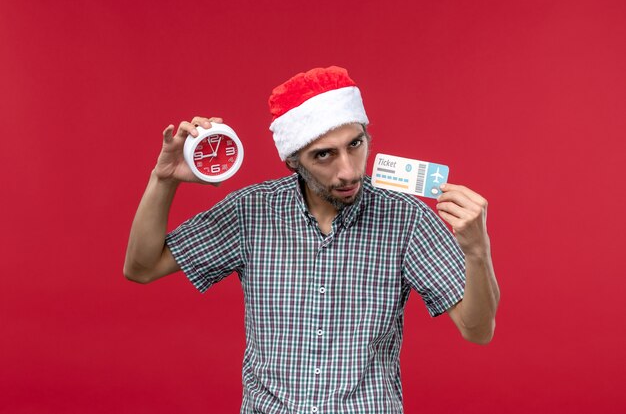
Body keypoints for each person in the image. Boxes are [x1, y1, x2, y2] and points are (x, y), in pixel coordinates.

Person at [124, 66, 500, 413]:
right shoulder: (251, 211)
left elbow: (478, 329)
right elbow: (142, 267)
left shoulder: (407, 218)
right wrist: (164, 179)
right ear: (293, 160)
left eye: (356, 144)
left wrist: (477, 252)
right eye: (324, 155)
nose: (348, 171)